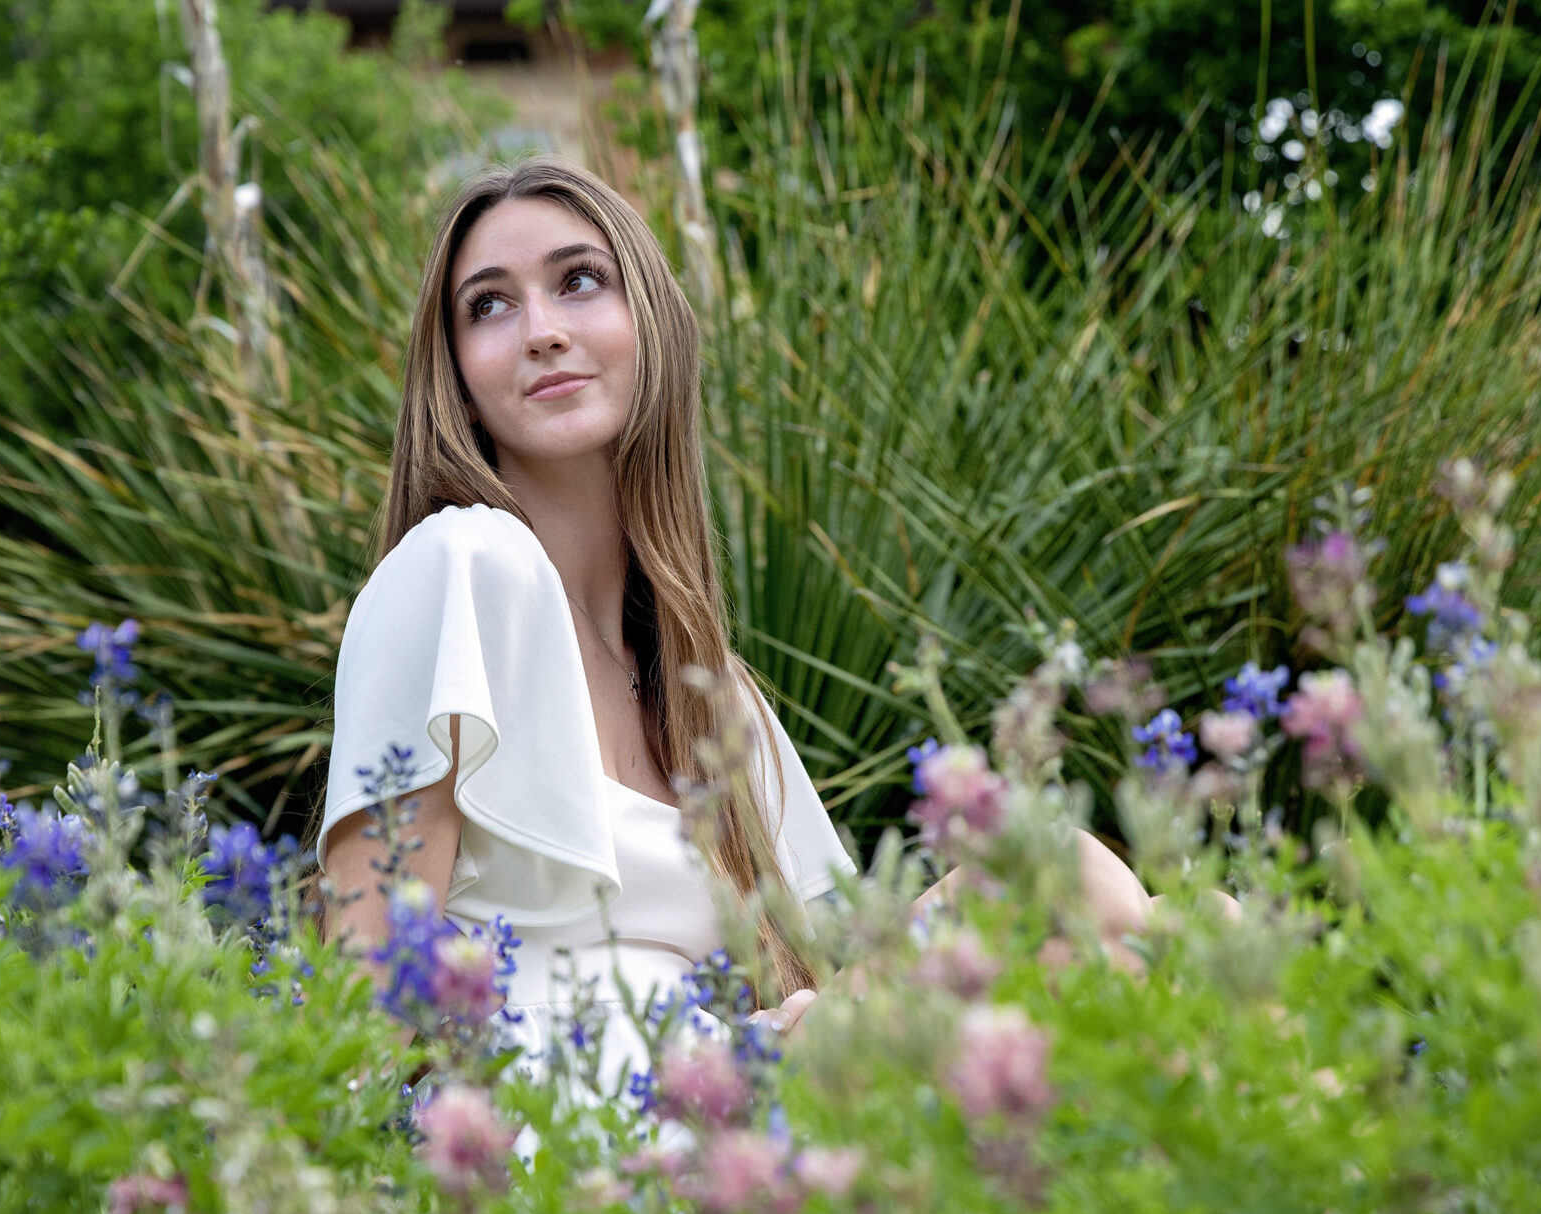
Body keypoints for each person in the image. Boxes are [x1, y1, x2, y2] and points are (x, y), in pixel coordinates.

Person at [313, 155, 1154, 1105]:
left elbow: (825, 972)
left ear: (654, 329)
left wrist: (809, 1018)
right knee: (1064, 872)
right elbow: (363, 978)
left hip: (732, 1102)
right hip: (559, 1132)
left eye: (578, 281)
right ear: (457, 377)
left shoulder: (712, 692)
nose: (541, 332)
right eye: (490, 306)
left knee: (1154, 914)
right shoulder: (462, 566)